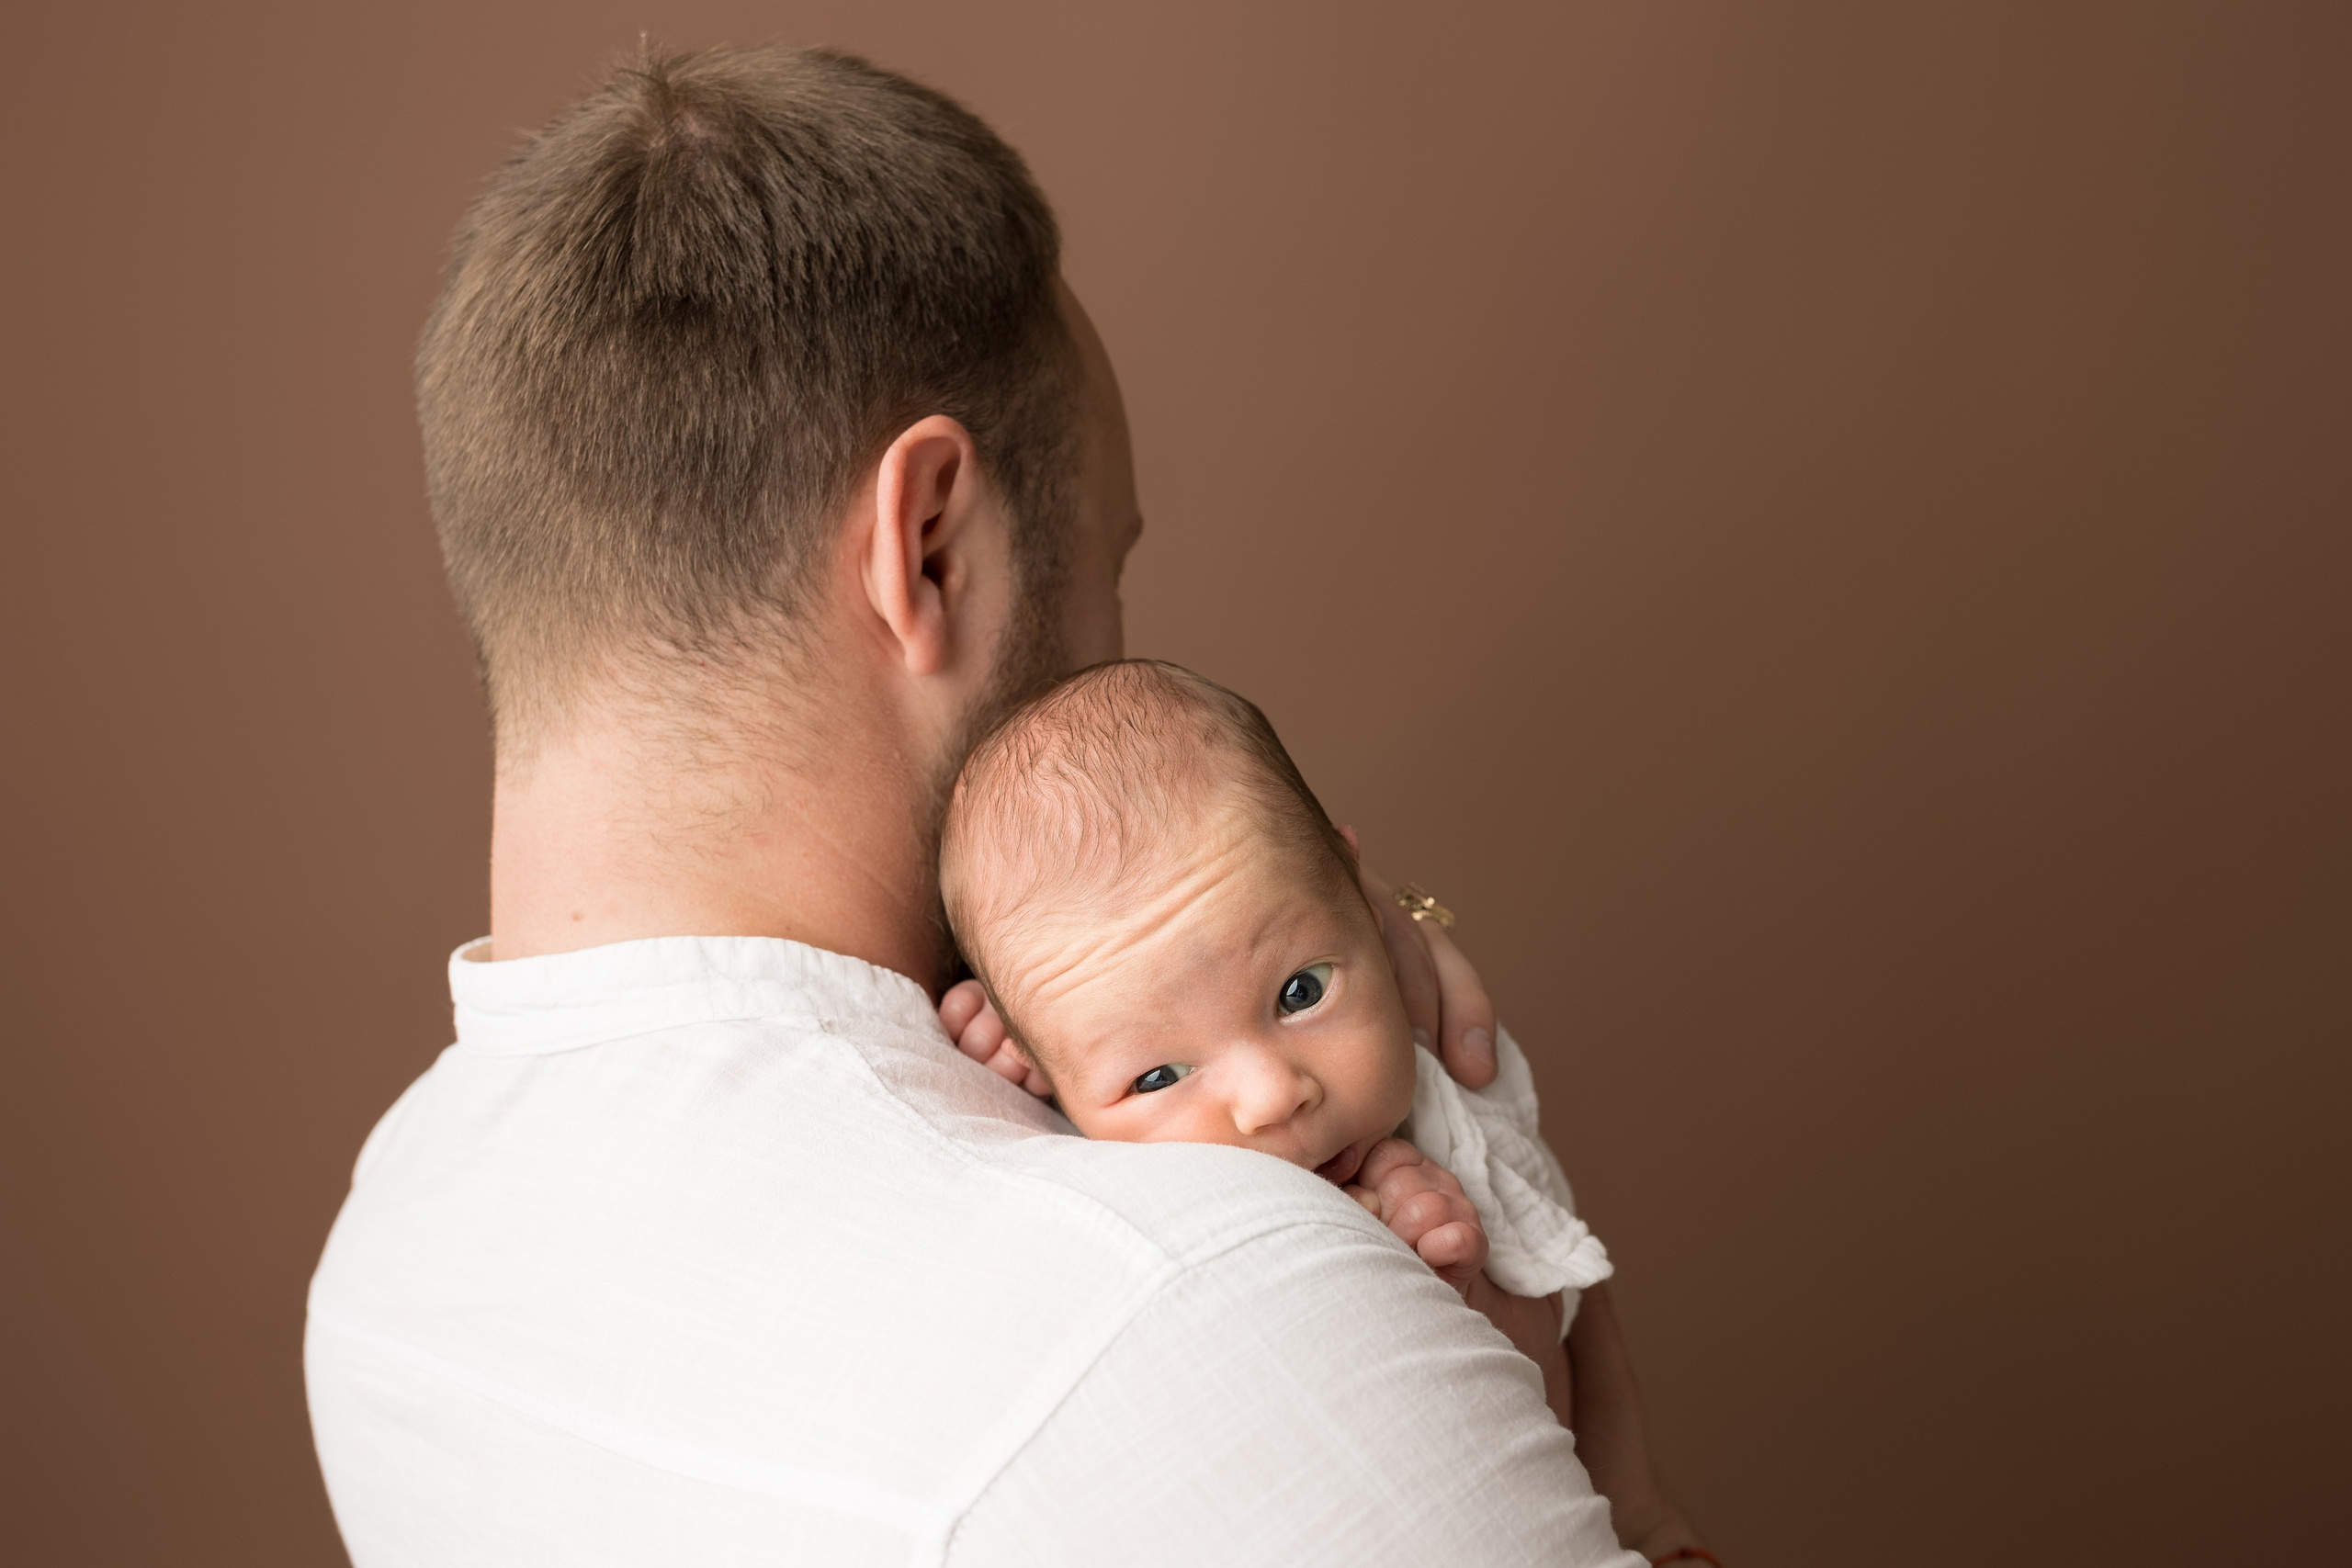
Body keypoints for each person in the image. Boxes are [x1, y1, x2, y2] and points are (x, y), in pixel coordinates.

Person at [304, 41, 1707, 1566]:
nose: (1115, 644)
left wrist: (1301, 973)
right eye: (1107, 566)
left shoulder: (388, 1266)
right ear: (929, 546)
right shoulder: (1218, 1297)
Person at [934, 658, 1617, 1437]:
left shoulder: (1458, 1123)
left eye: (1301, 991)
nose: (1272, 1097)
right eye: (1159, 1076)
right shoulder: (1075, 1128)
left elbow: (1559, 1375)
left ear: (1368, 907)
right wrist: (1024, 1054)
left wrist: (1466, 1288)